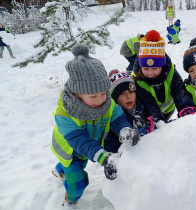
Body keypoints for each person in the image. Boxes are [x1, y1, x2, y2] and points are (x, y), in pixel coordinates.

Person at [51, 44, 140, 204]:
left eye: (102, 94)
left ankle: (60, 171)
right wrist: (104, 158)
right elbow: (79, 140)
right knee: (77, 182)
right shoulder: (64, 114)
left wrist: (125, 130)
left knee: (81, 161)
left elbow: (117, 118)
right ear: (76, 93)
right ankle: (69, 201)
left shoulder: (106, 103)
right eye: (93, 96)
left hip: (88, 147)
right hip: (70, 150)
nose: (100, 99)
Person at [131, 30, 196, 122]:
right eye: (145, 69)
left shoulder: (171, 72)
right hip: (151, 114)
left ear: (162, 66)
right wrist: (158, 120)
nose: (150, 73)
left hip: (169, 110)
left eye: (155, 68)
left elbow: (179, 91)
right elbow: (148, 103)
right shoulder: (137, 80)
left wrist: (185, 106)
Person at [108, 69, 157, 143]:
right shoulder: (113, 120)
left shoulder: (145, 107)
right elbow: (113, 147)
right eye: (122, 93)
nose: (128, 97)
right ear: (115, 98)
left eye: (131, 92)